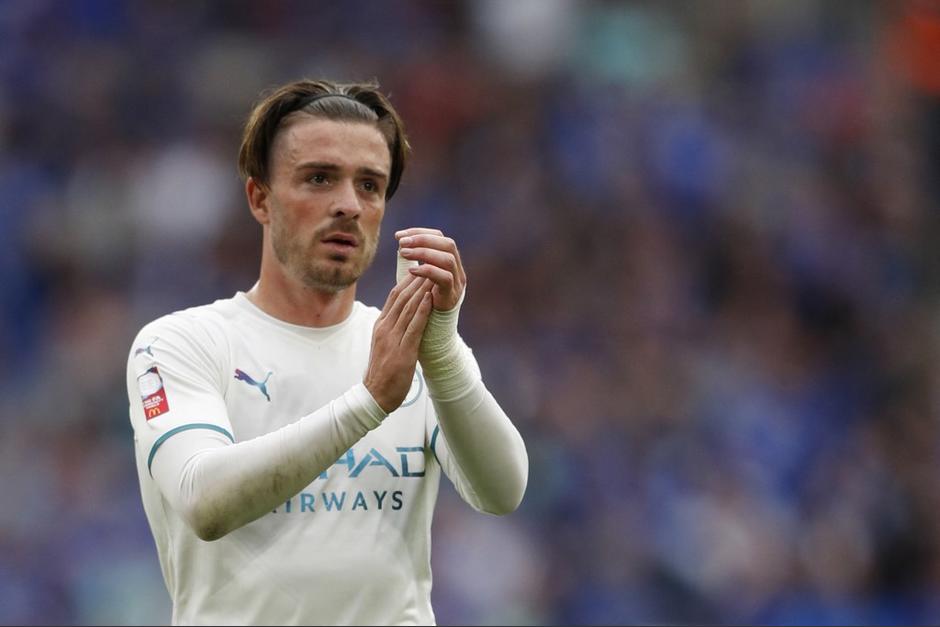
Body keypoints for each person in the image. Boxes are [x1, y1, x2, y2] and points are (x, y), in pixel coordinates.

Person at [125, 78, 528, 626]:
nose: (348, 205)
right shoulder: (183, 343)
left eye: (370, 185)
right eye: (319, 178)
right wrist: (368, 402)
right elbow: (204, 500)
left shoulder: (413, 349)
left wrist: (442, 354)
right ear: (260, 198)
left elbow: (502, 492)